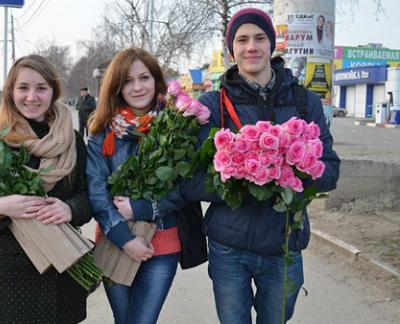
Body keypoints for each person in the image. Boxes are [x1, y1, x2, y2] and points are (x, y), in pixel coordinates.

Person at [134, 8, 341, 323]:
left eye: (260, 38)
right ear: (232, 50)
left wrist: (293, 172)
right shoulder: (211, 107)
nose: (251, 47)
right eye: (242, 40)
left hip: (284, 244)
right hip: (229, 246)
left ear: (271, 45)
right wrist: (240, 180)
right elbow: (188, 180)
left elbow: (331, 171)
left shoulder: (304, 102)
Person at [0, 55, 92, 324]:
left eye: (41, 88)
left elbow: (87, 199)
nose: (31, 97)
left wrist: (69, 208)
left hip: (63, 269)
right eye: (23, 87)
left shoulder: (71, 140)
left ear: (53, 91)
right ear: (11, 91)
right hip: (11, 276)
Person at [86, 48, 203, 324]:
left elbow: (187, 186)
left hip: (162, 244)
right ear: (117, 86)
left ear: (156, 80)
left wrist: (143, 208)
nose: (137, 87)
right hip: (115, 239)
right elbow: (96, 191)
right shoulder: (104, 131)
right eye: (127, 80)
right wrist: (125, 240)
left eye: (144, 77)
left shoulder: (178, 126)